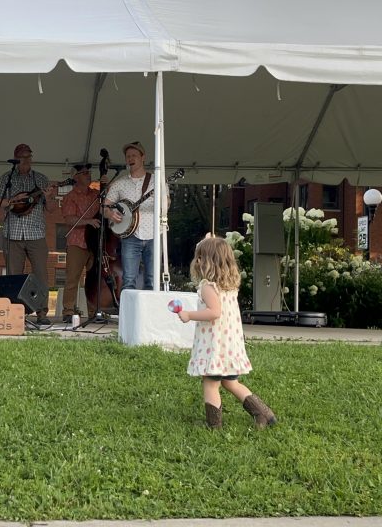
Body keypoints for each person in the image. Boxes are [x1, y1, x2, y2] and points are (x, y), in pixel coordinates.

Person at [177, 236, 277, 430]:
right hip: (230, 346)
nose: (196, 261)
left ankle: (214, 425)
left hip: (215, 347)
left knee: (210, 384)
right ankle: (264, 414)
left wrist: (189, 315)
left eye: (199, 257)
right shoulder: (229, 285)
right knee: (231, 383)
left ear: (206, 262)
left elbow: (214, 312)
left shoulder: (208, 287)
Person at [0, 143, 57, 325]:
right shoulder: (7, 178)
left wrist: (50, 195)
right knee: (14, 275)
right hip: (12, 233)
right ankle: (16, 313)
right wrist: (13, 200)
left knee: (41, 275)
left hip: (35, 233)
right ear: (15, 158)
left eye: (29, 156)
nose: (26, 160)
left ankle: (42, 313)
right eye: (22, 157)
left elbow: (51, 209)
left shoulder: (41, 179)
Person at [104, 141, 154, 291]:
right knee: (128, 280)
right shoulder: (119, 183)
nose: (130, 159)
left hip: (153, 235)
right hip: (130, 237)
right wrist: (110, 214)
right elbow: (105, 207)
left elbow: (166, 206)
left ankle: (150, 314)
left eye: (134, 155)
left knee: (151, 280)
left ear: (143, 157)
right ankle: (128, 314)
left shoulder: (155, 181)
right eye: (128, 156)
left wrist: (165, 201)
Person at [60, 163, 104, 323]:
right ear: (75, 177)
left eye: (88, 172)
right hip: (77, 242)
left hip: (94, 242)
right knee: (72, 278)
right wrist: (89, 221)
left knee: (93, 279)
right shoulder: (70, 197)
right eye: (84, 173)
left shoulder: (96, 195)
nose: (88, 175)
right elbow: (69, 219)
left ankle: (95, 311)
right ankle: (68, 311)